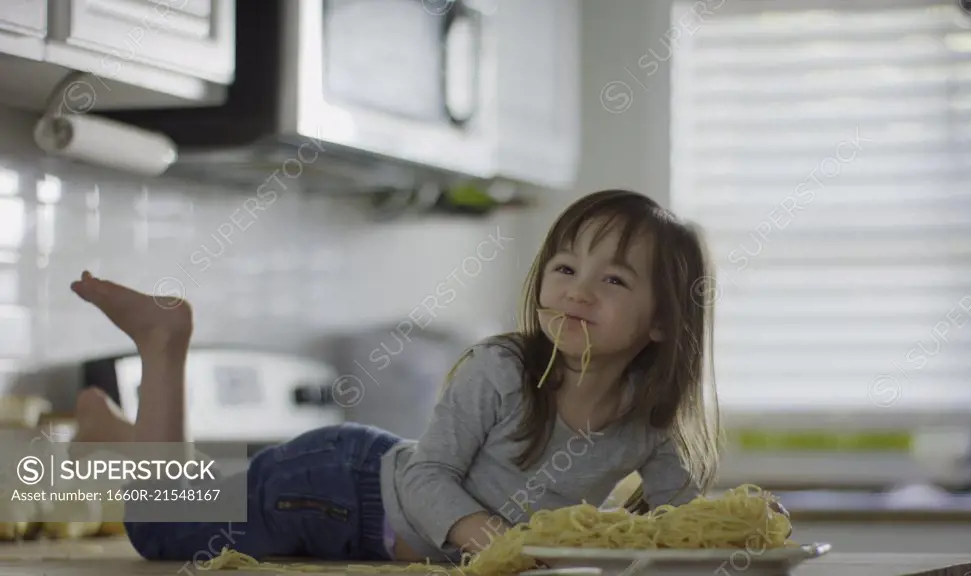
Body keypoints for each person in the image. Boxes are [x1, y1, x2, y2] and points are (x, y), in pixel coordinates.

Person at [68, 189, 725, 564]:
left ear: (663, 322)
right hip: (338, 492)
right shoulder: (502, 371)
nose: (577, 292)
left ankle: (114, 433)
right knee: (159, 525)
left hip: (352, 501)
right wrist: (476, 533)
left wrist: (741, 525)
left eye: (612, 279)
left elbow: (680, 521)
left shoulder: (649, 417)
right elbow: (424, 474)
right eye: (565, 268)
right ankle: (161, 343)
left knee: (196, 496)